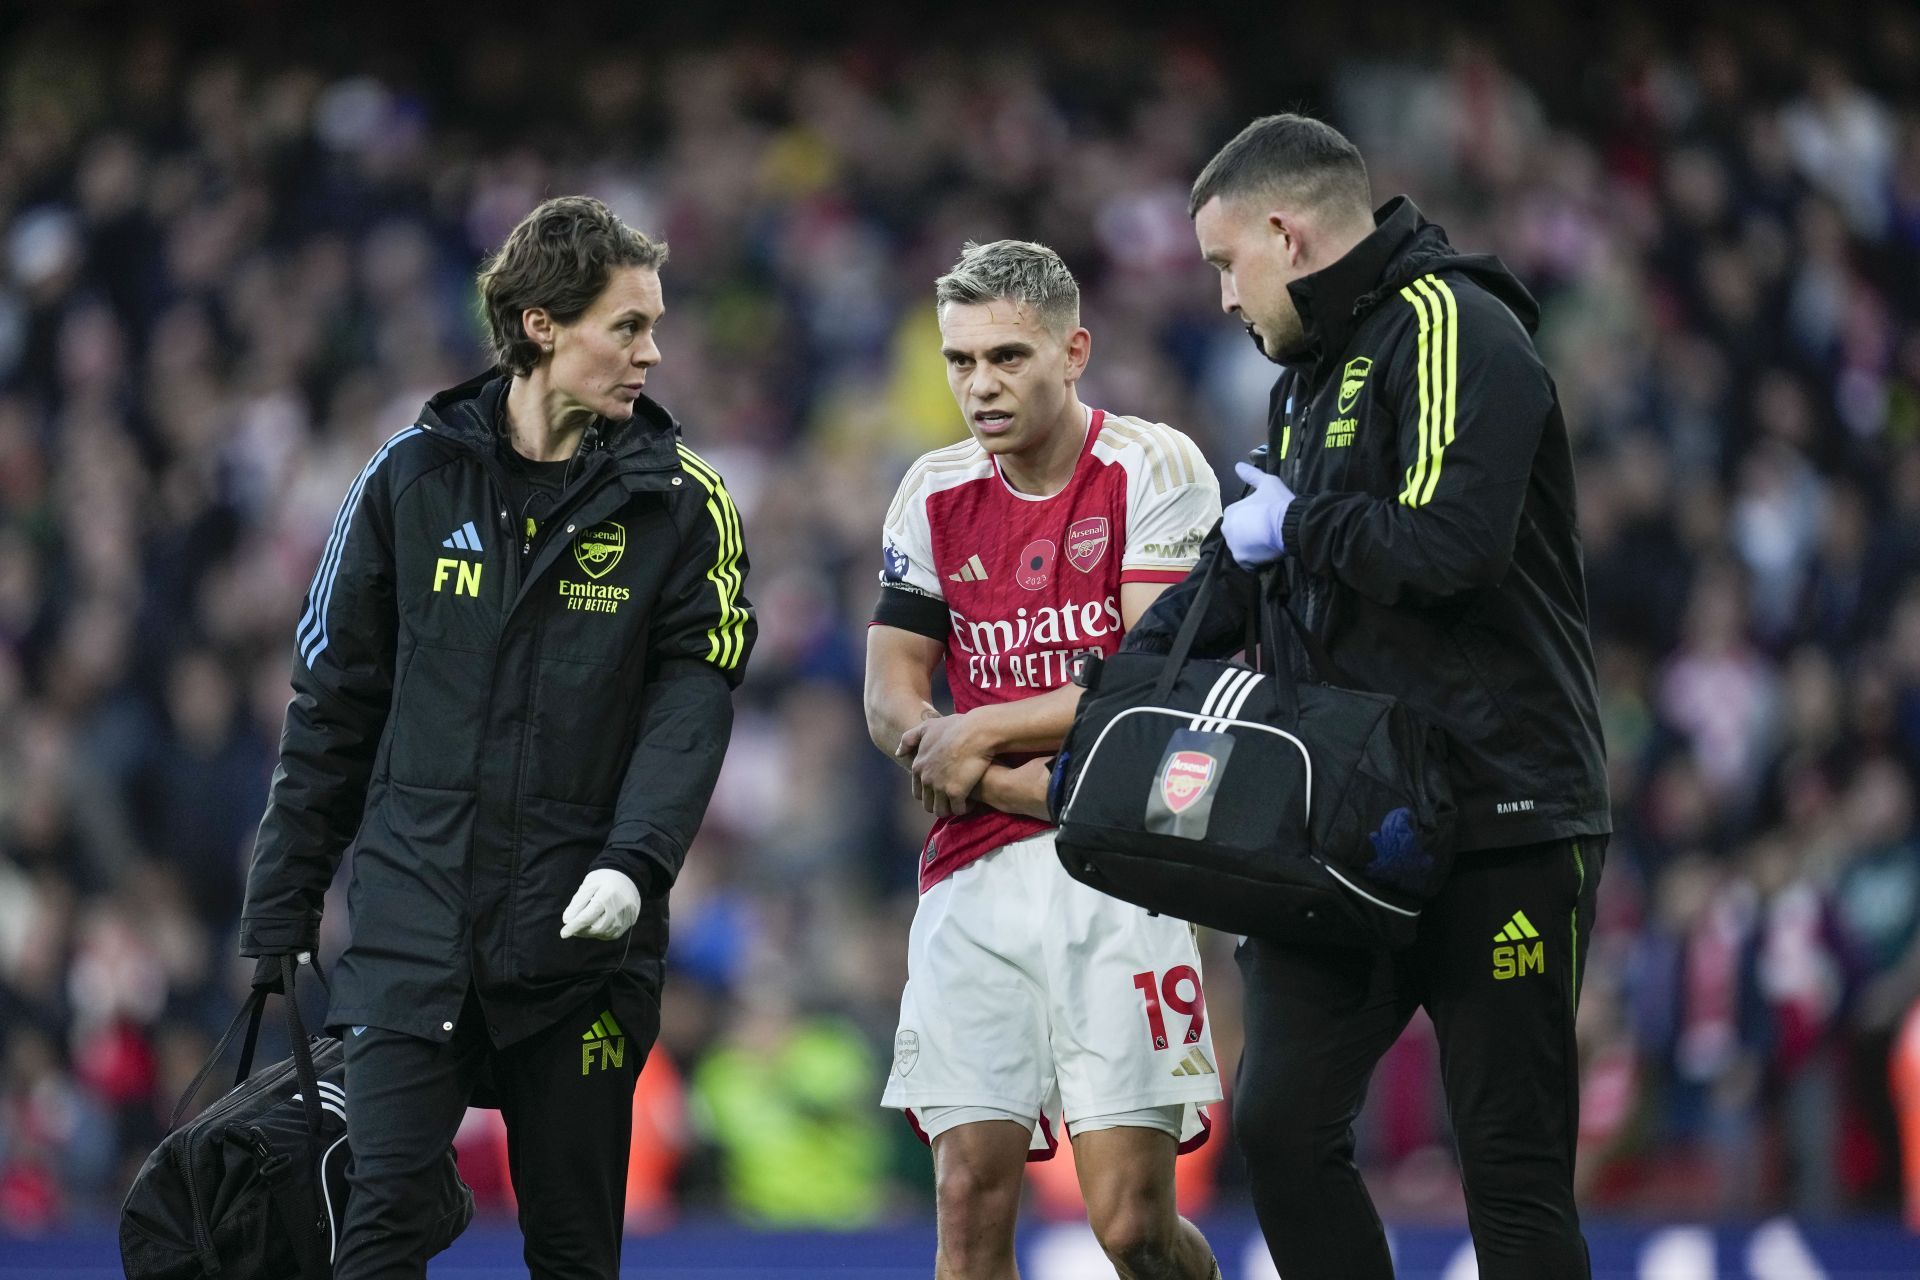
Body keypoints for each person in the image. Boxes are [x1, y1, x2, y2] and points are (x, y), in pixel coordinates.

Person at [1125, 114, 1612, 1278]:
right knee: (1285, 1130)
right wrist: (1111, 702)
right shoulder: (1305, 381)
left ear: (1286, 236)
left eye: (1224, 262)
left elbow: (1450, 546)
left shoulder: (1455, 324)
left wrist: (1299, 522)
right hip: (1343, 833)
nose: (1225, 298)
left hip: (1503, 819)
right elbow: (1250, 570)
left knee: (1512, 1173)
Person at [239, 195, 755, 1279]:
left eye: (654, 325)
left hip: (580, 951)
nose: (652, 352)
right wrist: (281, 904)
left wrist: (636, 856)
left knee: (574, 1254)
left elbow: (694, 702)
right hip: (410, 940)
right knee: (375, 1239)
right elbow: (332, 700)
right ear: (539, 325)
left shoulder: (685, 505)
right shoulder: (405, 480)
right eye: (627, 326)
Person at [865, 239, 1225, 1280]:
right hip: (973, 871)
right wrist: (995, 772)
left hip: (1122, 868)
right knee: (967, 1198)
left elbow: (1147, 691)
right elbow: (892, 694)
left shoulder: (1154, 466)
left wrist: (975, 729)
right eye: (961, 360)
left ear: (1074, 350)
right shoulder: (930, 489)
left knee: (1131, 1229)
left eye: (1009, 357)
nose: (981, 384)